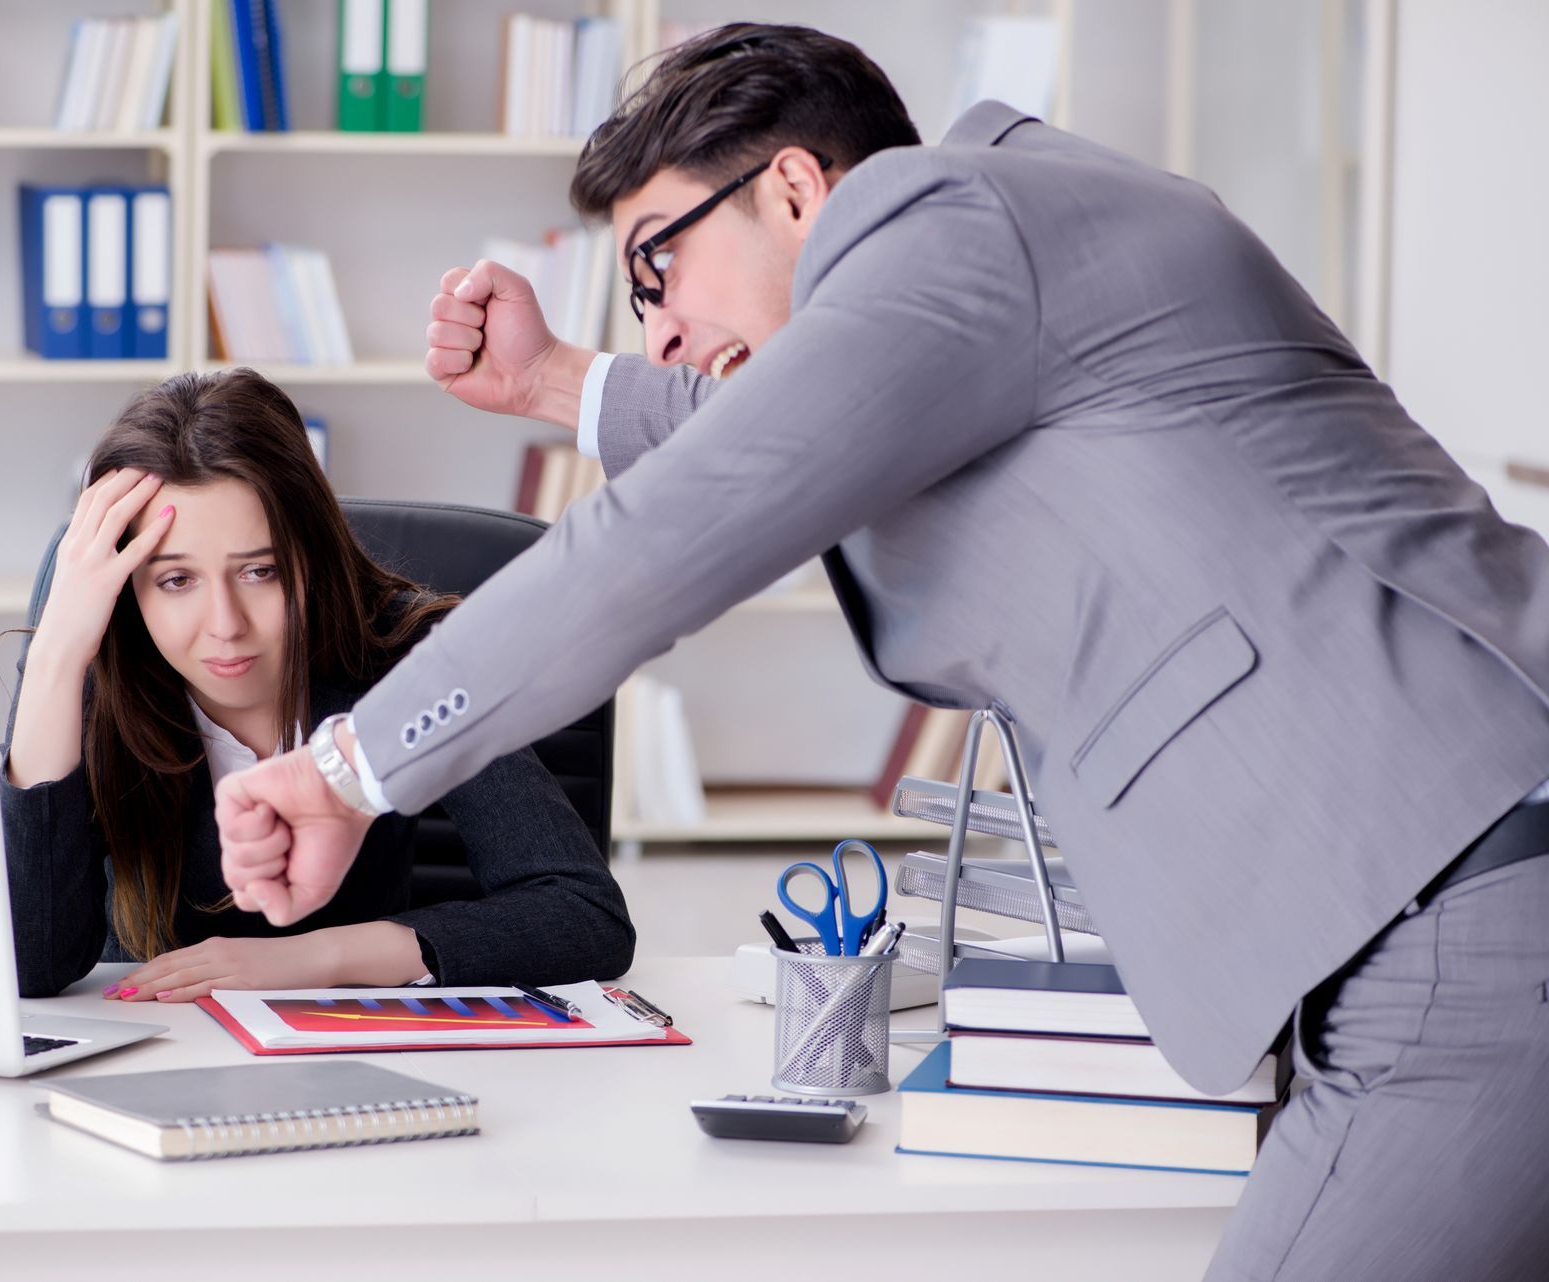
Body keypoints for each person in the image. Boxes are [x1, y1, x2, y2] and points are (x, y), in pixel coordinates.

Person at [209, 22, 1549, 1281]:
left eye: (658, 269)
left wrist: (345, 772)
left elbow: (679, 522)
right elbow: (773, 423)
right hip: (1449, 892)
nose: (655, 324)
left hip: (1463, 905)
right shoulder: (1003, 258)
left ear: (797, 188)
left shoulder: (948, 220)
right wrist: (559, 380)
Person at [0, 367, 634, 1004]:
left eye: (260, 571)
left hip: (356, 1050)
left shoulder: (408, 654)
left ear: (312, 557)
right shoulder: (91, 665)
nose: (226, 627)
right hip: (143, 1048)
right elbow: (31, 963)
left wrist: (320, 957)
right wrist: (54, 657)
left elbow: (585, 917)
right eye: (176, 581)